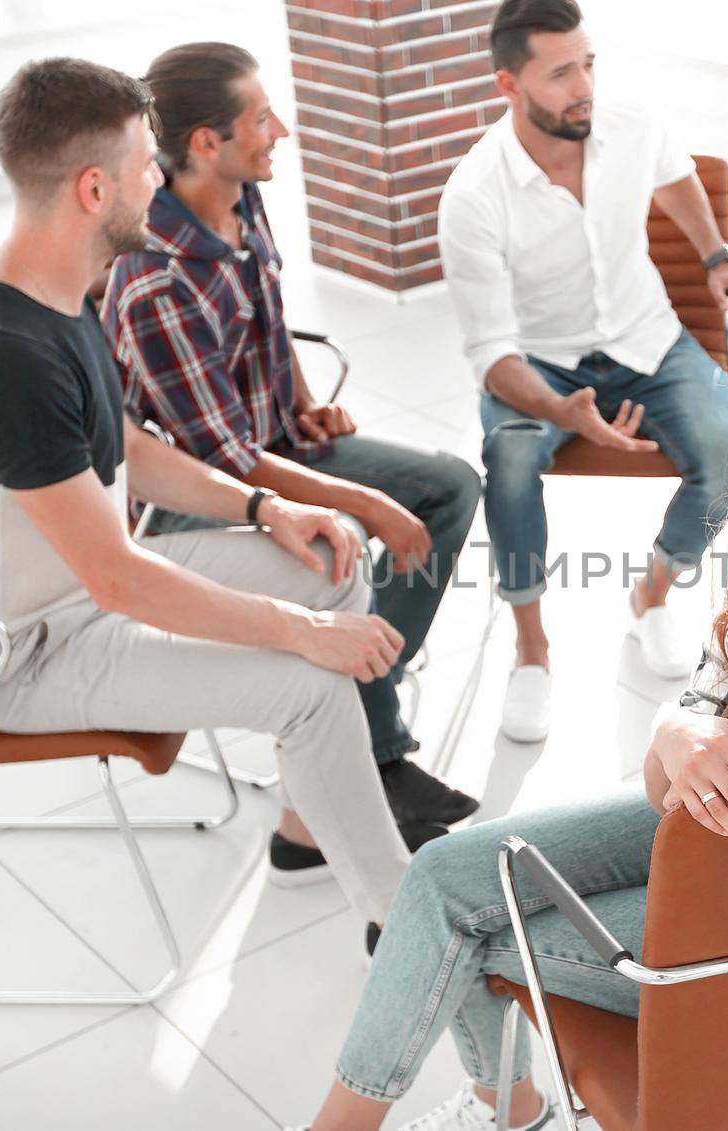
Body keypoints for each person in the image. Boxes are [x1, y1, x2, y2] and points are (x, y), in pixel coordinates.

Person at [284, 322, 728, 1131]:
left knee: (466, 931)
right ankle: (513, 1108)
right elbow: (671, 783)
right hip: (721, 842)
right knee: (441, 875)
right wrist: (674, 734)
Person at [0, 57, 410, 939]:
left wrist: (269, 510)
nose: (161, 181)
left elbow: (130, 452)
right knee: (312, 686)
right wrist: (302, 634)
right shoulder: (6, 354)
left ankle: (311, 827)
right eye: (149, 164)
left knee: (334, 555)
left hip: (82, 594)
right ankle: (411, 926)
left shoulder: (54, 288)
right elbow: (118, 581)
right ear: (94, 187)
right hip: (27, 650)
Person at [104, 43, 483, 884]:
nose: (281, 131)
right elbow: (225, 460)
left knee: (449, 488)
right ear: (205, 141)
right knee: (347, 534)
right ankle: (368, 754)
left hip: (273, 437)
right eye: (261, 119)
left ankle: (358, 699)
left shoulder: (242, 197)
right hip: (203, 492)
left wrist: (304, 399)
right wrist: (364, 502)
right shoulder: (154, 278)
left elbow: (267, 319)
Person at [438, 0, 728, 742]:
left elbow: (676, 177)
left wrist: (717, 256)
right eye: (560, 73)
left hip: (646, 340)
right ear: (508, 86)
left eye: (588, 62)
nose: (584, 84)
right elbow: (493, 355)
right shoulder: (473, 197)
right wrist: (562, 413)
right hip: (538, 362)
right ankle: (532, 649)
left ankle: (650, 596)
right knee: (510, 460)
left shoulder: (630, 121)